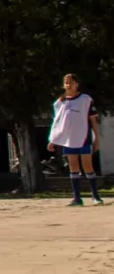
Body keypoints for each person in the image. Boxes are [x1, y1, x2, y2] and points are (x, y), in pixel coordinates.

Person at [48, 74, 103, 207]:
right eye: (66, 83)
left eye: (71, 82)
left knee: (87, 166)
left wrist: (97, 138)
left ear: (77, 84)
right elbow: (58, 123)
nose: (68, 85)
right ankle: (77, 198)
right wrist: (53, 139)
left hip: (84, 137)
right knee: (73, 167)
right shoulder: (60, 102)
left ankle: (96, 196)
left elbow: (93, 120)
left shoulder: (85, 99)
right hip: (69, 139)